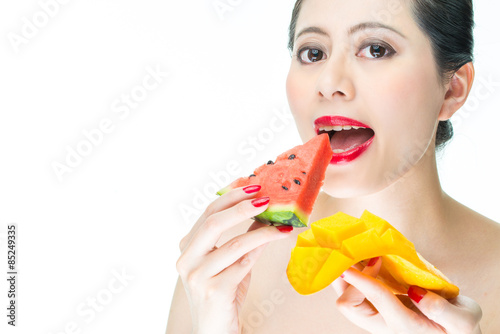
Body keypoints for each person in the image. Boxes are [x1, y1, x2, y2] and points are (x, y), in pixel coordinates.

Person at [167, 0, 500, 332]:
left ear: (452, 90)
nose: (328, 82)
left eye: (376, 49)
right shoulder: (222, 266)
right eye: (313, 53)